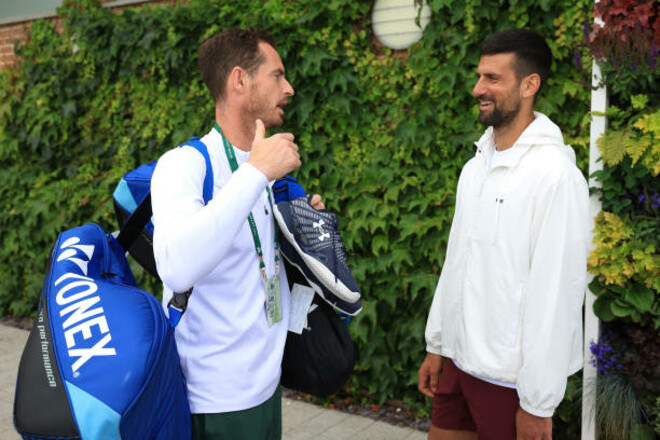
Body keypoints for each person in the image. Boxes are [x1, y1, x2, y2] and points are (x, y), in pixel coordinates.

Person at [150, 27, 324, 440]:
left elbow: (265, 272)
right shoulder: (184, 165)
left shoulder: (269, 172)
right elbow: (176, 267)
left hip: (267, 391)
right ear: (240, 80)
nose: (290, 88)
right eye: (278, 75)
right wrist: (255, 174)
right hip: (211, 403)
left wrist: (303, 235)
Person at [418, 28, 590, 440]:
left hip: (508, 382)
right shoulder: (475, 166)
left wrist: (538, 402)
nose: (479, 88)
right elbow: (456, 260)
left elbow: (557, 295)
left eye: (493, 79)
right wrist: (437, 344)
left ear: (530, 85)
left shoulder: (556, 176)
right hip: (459, 364)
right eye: (479, 76)